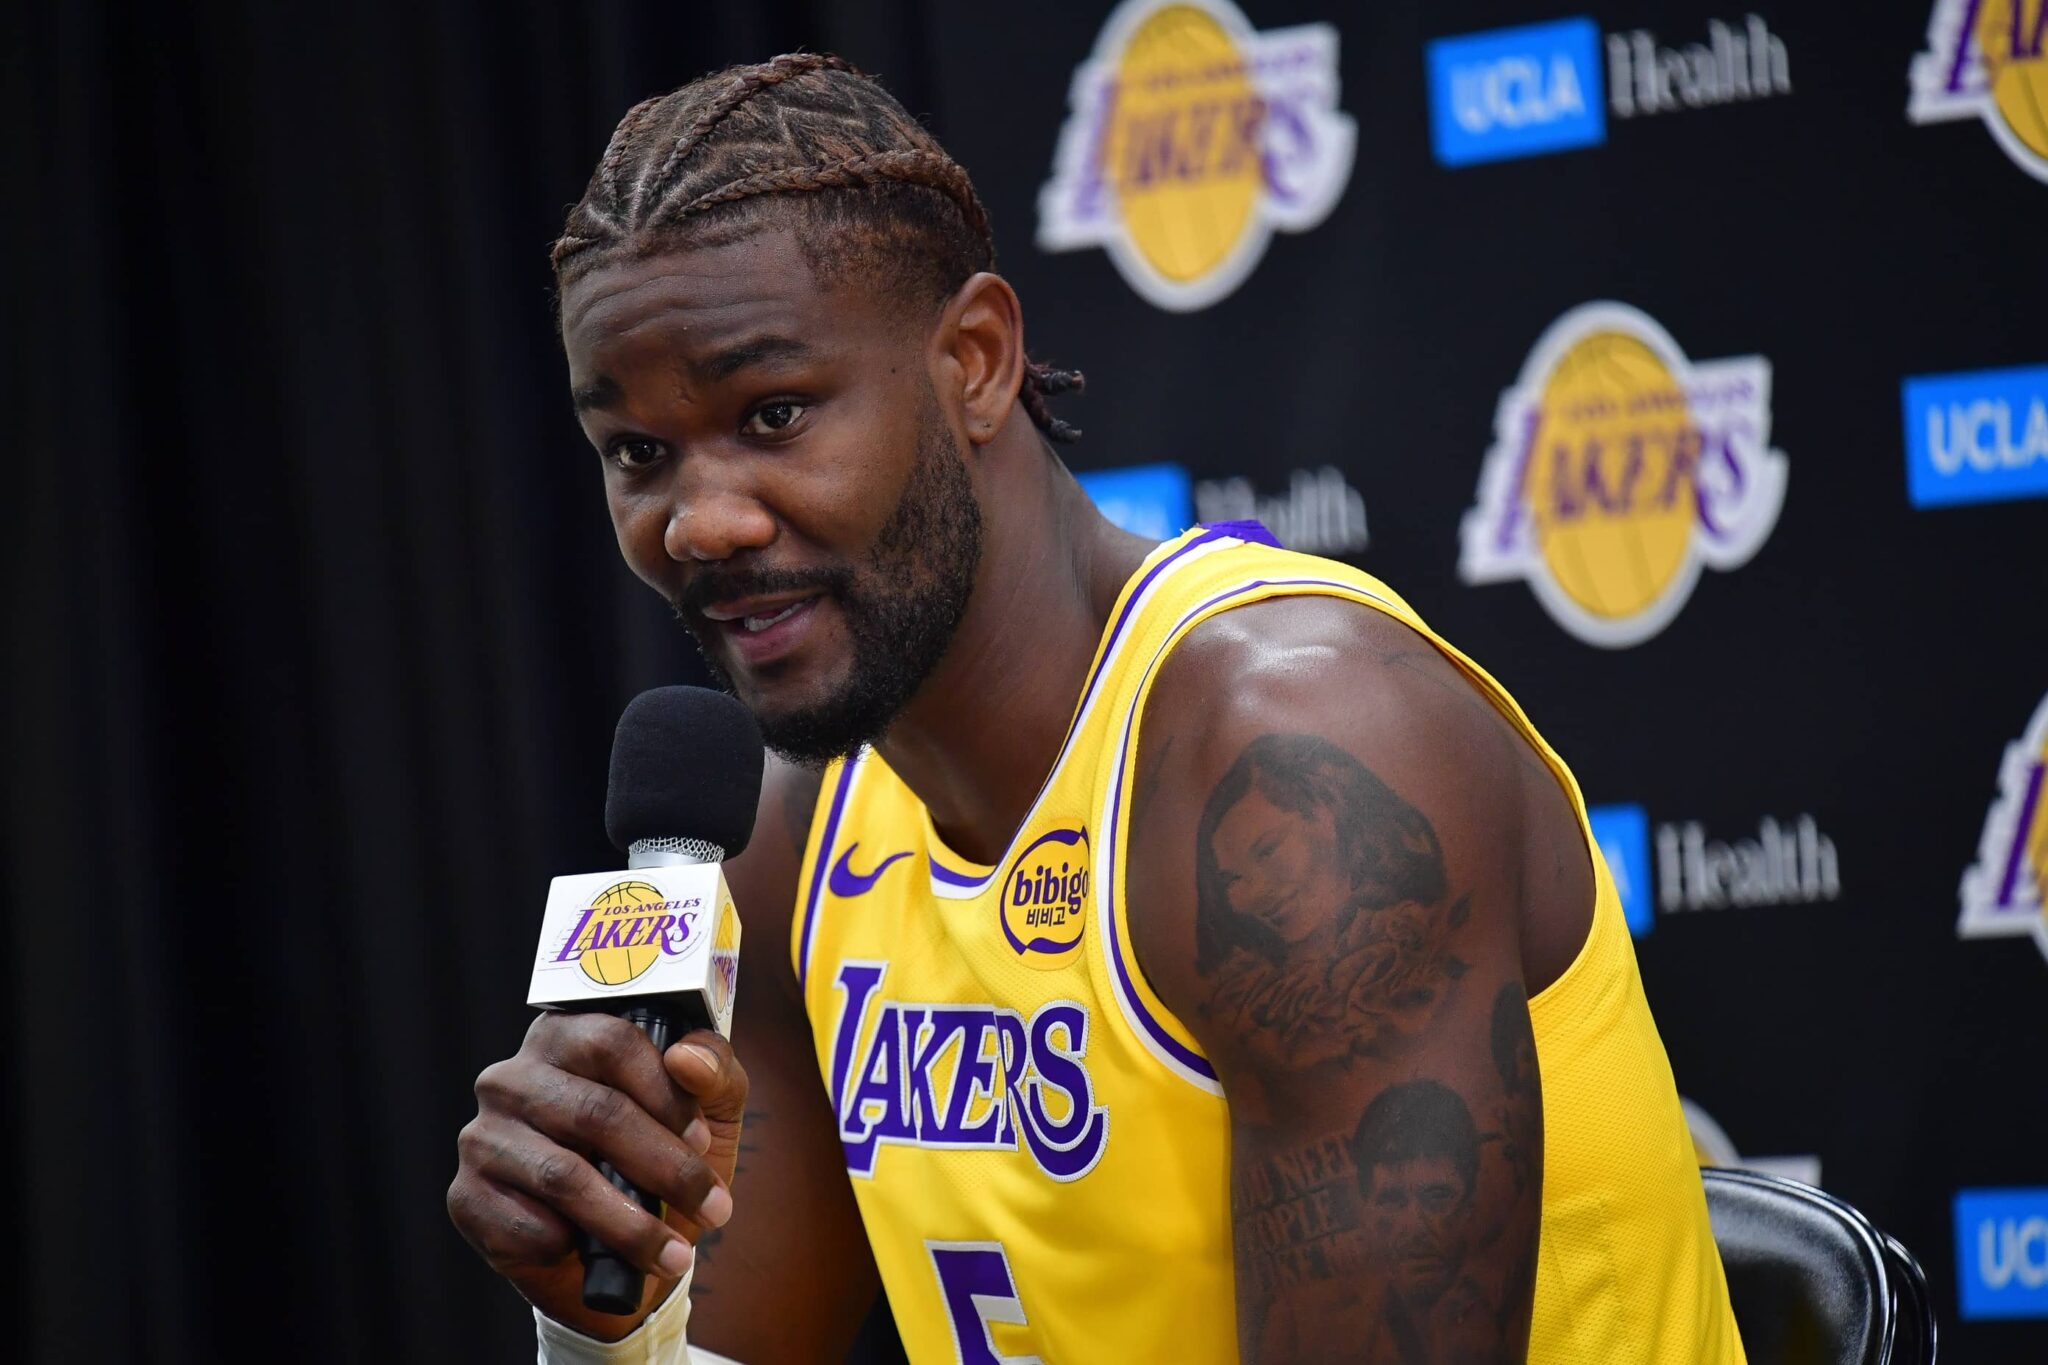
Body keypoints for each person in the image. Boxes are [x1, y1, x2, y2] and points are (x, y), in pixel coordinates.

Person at [445, 53, 1746, 1365]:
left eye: (774, 414)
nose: (699, 522)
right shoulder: (796, 836)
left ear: (974, 360)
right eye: (638, 453)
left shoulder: (1303, 761)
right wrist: (601, 1319)